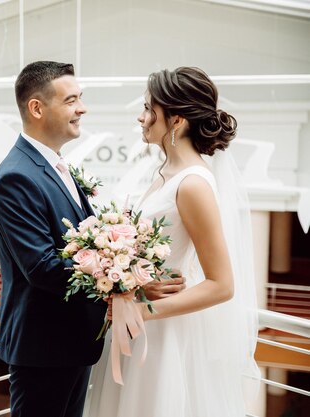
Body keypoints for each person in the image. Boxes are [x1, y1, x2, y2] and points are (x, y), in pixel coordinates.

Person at [0, 61, 185, 417]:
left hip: (72, 341)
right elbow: (43, 268)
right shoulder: (15, 178)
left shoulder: (53, 165)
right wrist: (130, 285)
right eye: (71, 100)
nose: (82, 108)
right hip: (43, 348)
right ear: (37, 108)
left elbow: (80, 243)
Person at [85, 67, 259, 417]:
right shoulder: (165, 173)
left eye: (150, 109)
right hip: (139, 324)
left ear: (176, 121)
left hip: (165, 334)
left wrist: (143, 311)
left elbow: (222, 285)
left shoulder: (193, 183)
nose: (141, 117)